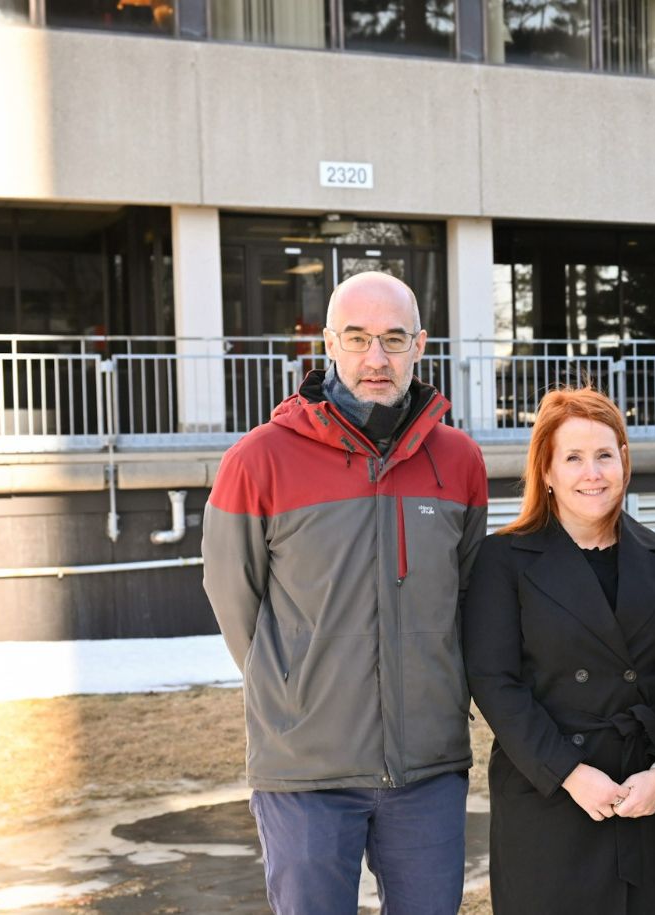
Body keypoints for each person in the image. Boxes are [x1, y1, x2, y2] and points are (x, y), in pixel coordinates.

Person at [202, 271, 489, 914]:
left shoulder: (460, 460)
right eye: (357, 339)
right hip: (305, 769)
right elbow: (233, 598)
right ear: (329, 344)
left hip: (428, 768)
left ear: (421, 345)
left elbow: (465, 595)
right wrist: (293, 696)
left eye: (393, 339)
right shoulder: (258, 459)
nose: (376, 359)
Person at [462, 387, 655, 915]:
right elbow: (495, 683)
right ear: (546, 471)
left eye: (605, 455)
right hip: (548, 797)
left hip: (641, 797)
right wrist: (570, 773)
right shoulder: (503, 560)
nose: (593, 473)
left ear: (624, 462)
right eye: (574, 458)